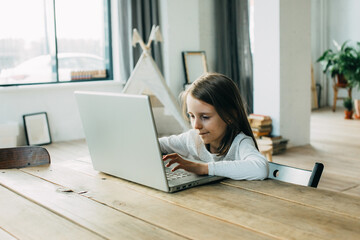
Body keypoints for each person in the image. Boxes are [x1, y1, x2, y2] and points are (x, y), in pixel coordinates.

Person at [159, 73, 268, 180]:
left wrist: (203, 168)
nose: (196, 126)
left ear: (229, 116)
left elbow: (260, 169)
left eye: (205, 117)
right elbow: (157, 144)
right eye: (192, 116)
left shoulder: (240, 143)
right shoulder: (192, 139)